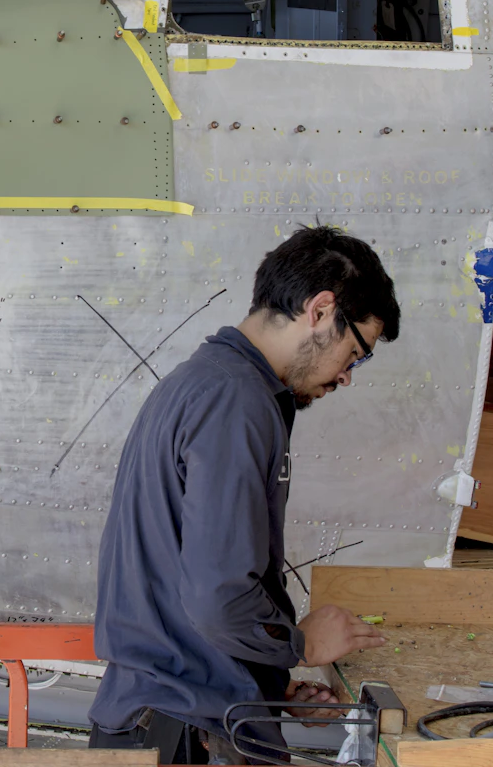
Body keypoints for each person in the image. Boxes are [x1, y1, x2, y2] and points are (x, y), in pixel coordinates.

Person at [88, 225, 401, 763]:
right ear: (322, 311)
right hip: (189, 736)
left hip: (174, 718)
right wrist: (300, 646)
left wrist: (263, 681)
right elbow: (219, 596)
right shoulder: (236, 401)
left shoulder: (206, 381)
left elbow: (180, 578)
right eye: (356, 353)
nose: (348, 376)